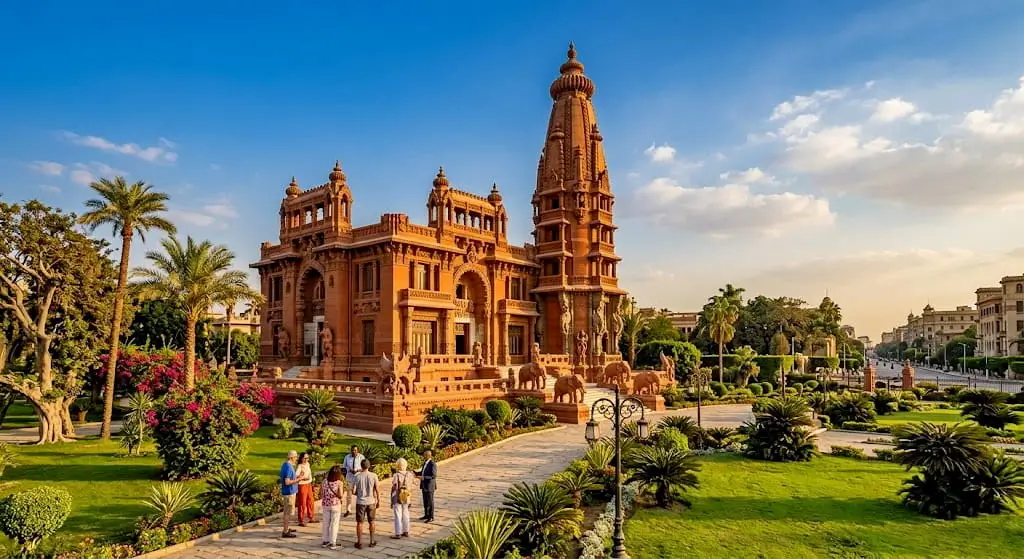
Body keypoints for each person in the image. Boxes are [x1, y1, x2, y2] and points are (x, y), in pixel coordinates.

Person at [352, 459, 380, 549]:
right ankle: (372, 541)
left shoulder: (357, 476)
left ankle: (359, 542)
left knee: (360, 522)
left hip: (360, 502)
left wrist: (358, 493)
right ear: (369, 466)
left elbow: (353, 491)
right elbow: (377, 489)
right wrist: (378, 500)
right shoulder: (374, 475)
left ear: (361, 466)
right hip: (371, 501)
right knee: (372, 521)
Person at [278, 450, 306, 538]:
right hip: (289, 493)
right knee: (287, 513)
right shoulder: (289, 467)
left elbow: (289, 478)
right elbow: (287, 482)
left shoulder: (285, 465)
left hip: (289, 492)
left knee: (288, 512)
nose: (296, 458)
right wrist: (298, 479)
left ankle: (287, 528)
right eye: (295, 457)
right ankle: (285, 531)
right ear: (291, 457)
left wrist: (297, 477)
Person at [320, 465, 344, 549]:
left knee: (326, 523)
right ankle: (333, 542)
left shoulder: (324, 481)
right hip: (335, 505)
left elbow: (321, 493)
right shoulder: (339, 483)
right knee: (334, 524)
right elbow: (340, 495)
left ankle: (325, 541)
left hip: (326, 504)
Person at [390, 457, 414, 538]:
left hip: (398, 497)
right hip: (407, 496)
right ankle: (406, 531)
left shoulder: (396, 475)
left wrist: (391, 499)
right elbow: (411, 486)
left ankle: (398, 533)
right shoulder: (410, 475)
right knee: (406, 513)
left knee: (398, 515)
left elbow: (394, 487)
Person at [342, 445, 365, 517]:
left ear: (357, 451)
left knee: (360, 494)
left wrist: (358, 470)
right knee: (349, 495)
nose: (353, 452)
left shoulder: (361, 457)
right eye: (352, 450)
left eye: (355, 450)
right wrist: (349, 470)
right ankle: (348, 510)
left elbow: (364, 467)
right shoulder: (347, 457)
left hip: (358, 477)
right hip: (350, 477)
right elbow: (344, 467)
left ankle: (361, 510)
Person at [415, 450, 437, 523]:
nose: (423, 456)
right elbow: (422, 472)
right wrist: (415, 473)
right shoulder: (425, 463)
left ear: (428, 456)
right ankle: (426, 515)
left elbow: (433, 475)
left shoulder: (432, 464)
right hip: (424, 485)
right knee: (425, 501)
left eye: (424, 455)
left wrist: (424, 477)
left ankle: (431, 516)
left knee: (430, 501)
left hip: (430, 486)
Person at [295, 452, 315, 526]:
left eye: (307, 458)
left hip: (308, 484)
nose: (306, 460)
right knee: (302, 502)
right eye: (305, 458)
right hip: (302, 485)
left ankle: (311, 517)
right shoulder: (300, 466)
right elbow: (296, 475)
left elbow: (309, 474)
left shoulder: (308, 464)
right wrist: (302, 477)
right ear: (301, 458)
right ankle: (301, 519)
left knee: (310, 501)